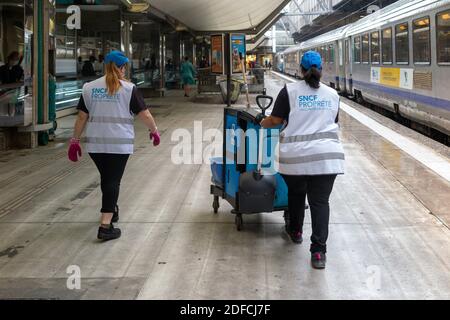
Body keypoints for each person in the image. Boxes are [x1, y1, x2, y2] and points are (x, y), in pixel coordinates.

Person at [260, 51, 345, 269]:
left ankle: (295, 231)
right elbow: (333, 121)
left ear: (300, 70)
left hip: (295, 159)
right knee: (320, 202)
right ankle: (318, 253)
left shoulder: (289, 91)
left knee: (297, 194)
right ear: (321, 69)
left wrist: (263, 122)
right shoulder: (333, 94)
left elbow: (276, 120)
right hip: (327, 159)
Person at [68, 50, 161, 241]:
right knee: (113, 181)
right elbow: (145, 114)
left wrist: (74, 141)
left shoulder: (89, 88)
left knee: (107, 178)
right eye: (124, 67)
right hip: (118, 146)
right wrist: (154, 131)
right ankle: (105, 225)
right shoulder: (129, 89)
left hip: (96, 145)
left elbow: (81, 117)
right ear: (119, 67)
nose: (125, 70)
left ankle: (113, 209)